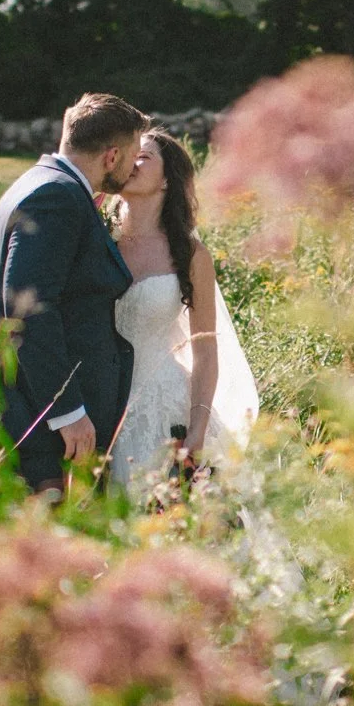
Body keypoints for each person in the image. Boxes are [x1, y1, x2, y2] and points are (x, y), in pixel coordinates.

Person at [0, 93, 148, 494]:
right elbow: (29, 311)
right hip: (34, 422)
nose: (132, 167)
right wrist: (67, 411)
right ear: (111, 156)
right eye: (132, 156)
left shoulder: (43, 184)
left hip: (29, 412)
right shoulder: (58, 198)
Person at [110, 130, 259, 493]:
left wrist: (198, 428)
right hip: (103, 406)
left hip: (167, 409)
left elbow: (205, 350)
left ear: (166, 181)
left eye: (143, 156)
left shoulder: (190, 255)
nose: (132, 161)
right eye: (129, 154)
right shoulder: (99, 241)